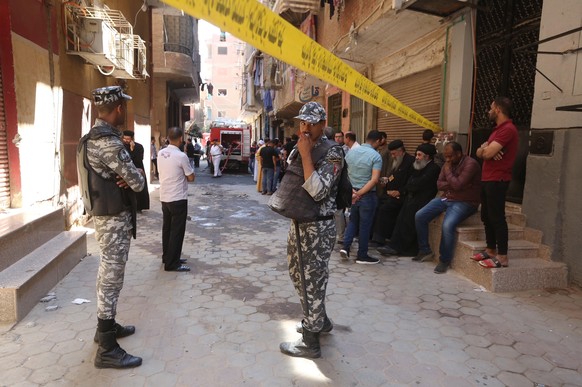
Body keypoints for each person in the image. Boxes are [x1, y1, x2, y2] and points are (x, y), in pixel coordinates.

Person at [77, 85, 144, 369]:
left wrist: (125, 178)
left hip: (103, 216)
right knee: (111, 277)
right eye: (123, 107)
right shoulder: (110, 143)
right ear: (118, 108)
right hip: (113, 220)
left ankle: (105, 327)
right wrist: (133, 175)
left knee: (108, 272)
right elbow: (138, 182)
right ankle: (106, 348)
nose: (124, 111)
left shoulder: (89, 138)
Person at [278, 102, 344, 359]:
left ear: (322, 125)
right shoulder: (305, 145)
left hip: (318, 226)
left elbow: (317, 191)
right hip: (299, 221)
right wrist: (301, 151)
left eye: (310, 123)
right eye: (302, 122)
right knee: (298, 275)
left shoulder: (333, 153)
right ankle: (320, 320)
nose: (304, 127)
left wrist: (306, 154)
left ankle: (310, 342)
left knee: (312, 281)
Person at [414, 142, 481, 273]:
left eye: (450, 157)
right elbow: (439, 185)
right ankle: (425, 250)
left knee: (447, 225)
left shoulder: (470, 164)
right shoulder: (448, 163)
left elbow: (457, 185)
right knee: (420, 215)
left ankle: (444, 260)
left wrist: (448, 172)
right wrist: (454, 184)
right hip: (447, 197)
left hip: (466, 201)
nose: (448, 160)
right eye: (446, 157)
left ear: (459, 154)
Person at [473, 97, 518, 269]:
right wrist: (487, 149)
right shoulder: (496, 131)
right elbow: (479, 152)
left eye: (491, 108)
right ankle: (490, 249)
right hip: (487, 179)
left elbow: (487, 153)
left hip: (498, 179)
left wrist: (488, 149)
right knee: (486, 216)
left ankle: (503, 256)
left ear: (498, 109)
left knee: (497, 217)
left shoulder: (508, 130)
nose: (488, 111)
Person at [377, 143, 441, 257]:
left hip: (423, 199)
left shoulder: (433, 168)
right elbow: (410, 182)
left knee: (409, 218)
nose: (417, 157)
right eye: (416, 154)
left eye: (419, 155)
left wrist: (409, 187)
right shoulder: (418, 166)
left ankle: (404, 248)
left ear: (427, 157)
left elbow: (418, 184)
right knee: (401, 218)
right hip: (412, 197)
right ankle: (394, 245)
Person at [339, 130, 383, 264]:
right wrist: (360, 193)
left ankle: (345, 247)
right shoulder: (376, 156)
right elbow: (374, 180)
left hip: (352, 194)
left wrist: (354, 192)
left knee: (353, 221)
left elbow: (344, 174)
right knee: (365, 225)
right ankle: (362, 255)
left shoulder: (350, 153)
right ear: (378, 141)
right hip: (366, 195)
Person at [157, 127, 195, 272]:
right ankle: (172, 263)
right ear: (180, 139)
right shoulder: (181, 156)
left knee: (167, 228)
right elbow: (191, 177)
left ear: (168, 138)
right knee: (177, 230)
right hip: (178, 197)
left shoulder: (161, 153)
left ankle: (168, 256)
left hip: (165, 196)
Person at [370, 140, 414, 245]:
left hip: (402, 195)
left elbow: (410, 182)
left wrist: (399, 192)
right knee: (376, 204)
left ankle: (380, 238)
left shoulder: (410, 161)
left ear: (400, 151)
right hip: (389, 193)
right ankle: (373, 236)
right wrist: (386, 181)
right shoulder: (396, 161)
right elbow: (393, 176)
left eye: (394, 153)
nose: (392, 156)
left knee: (385, 209)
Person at [121, 130, 150, 212]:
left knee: (138, 189)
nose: (126, 141)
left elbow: (138, 159)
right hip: (126, 170)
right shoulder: (121, 147)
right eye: (125, 139)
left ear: (132, 139)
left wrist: (132, 150)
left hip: (137, 169)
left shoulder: (139, 147)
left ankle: (139, 207)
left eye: (128, 139)